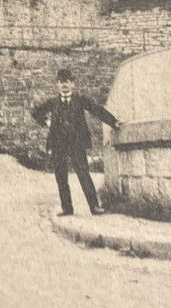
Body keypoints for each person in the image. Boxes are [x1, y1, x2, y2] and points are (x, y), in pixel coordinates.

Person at [31, 68, 120, 217]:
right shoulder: (53, 103)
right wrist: (47, 122)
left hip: (76, 143)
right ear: (57, 85)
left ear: (72, 84)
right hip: (58, 144)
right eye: (61, 82)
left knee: (83, 174)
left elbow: (97, 110)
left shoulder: (80, 100)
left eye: (67, 82)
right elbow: (36, 113)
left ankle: (94, 207)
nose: (64, 85)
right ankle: (67, 208)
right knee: (61, 176)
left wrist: (113, 122)